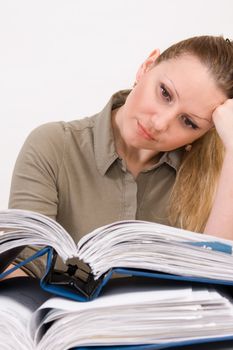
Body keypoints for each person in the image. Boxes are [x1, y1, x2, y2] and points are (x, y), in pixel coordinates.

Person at [7, 35, 233, 279]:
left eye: (188, 122)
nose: (159, 123)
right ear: (146, 67)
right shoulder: (53, 145)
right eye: (165, 93)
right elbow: (23, 267)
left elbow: (213, 285)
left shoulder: (219, 178)